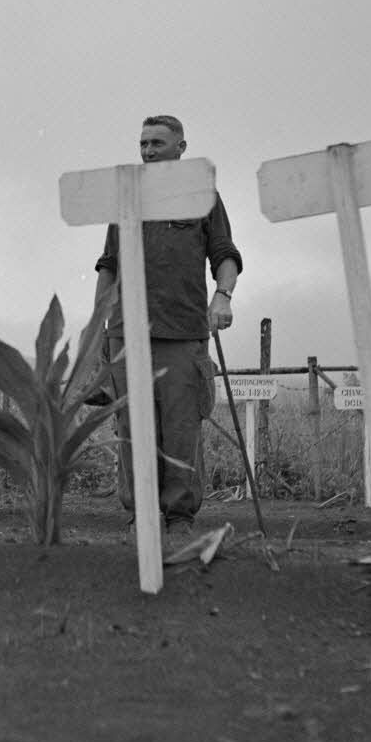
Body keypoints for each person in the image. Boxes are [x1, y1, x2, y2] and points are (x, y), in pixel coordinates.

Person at [89, 115, 243, 535]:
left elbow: (225, 254)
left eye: (158, 142)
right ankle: (141, 513)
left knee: (180, 427)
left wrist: (222, 296)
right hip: (126, 331)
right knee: (131, 427)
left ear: (181, 147)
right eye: (143, 143)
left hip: (183, 332)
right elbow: (109, 264)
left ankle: (178, 517)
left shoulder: (202, 195)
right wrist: (95, 325)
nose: (148, 151)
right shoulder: (127, 198)